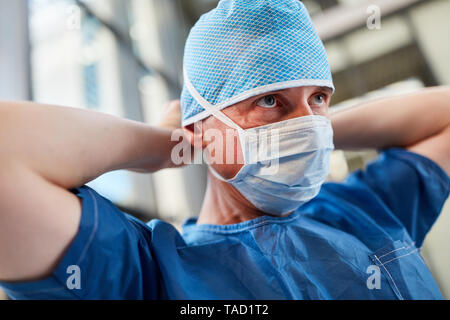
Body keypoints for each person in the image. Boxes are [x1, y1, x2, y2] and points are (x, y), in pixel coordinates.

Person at [0, 0, 449, 300]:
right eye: (269, 101)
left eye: (319, 97)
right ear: (201, 126)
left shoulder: (365, 208)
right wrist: (163, 143)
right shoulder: (151, 273)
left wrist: (316, 125)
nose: (308, 126)